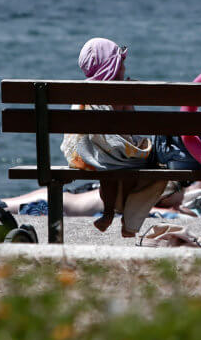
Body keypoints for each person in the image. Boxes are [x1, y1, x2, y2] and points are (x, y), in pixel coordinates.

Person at [61, 37, 164, 237]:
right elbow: (133, 127)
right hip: (124, 159)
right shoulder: (123, 92)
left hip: (93, 158)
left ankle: (108, 213)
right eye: (121, 63)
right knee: (128, 170)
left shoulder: (84, 93)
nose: (124, 67)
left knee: (106, 177)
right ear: (113, 65)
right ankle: (126, 217)